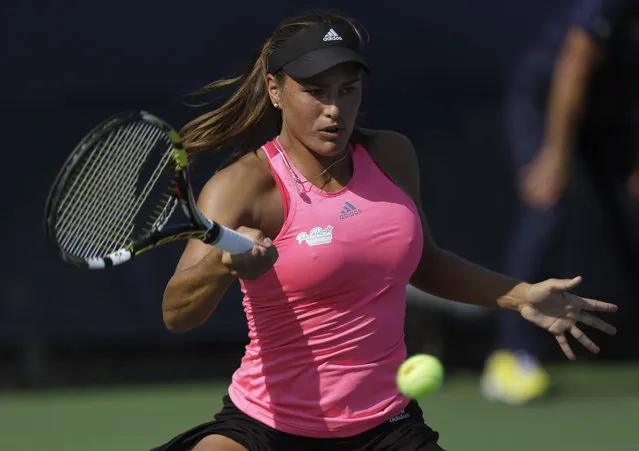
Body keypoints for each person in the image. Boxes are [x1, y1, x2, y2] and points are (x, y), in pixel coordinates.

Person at [152, 10, 618, 451]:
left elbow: (425, 263)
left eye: (347, 89)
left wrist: (520, 295)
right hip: (265, 426)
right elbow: (178, 313)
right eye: (315, 91)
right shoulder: (242, 186)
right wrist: (221, 264)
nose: (334, 109)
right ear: (275, 89)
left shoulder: (393, 156)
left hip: (384, 427)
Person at [482, 0, 638, 406]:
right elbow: (575, 61)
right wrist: (555, 154)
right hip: (550, 98)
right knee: (547, 206)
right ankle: (513, 357)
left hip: (613, 110)